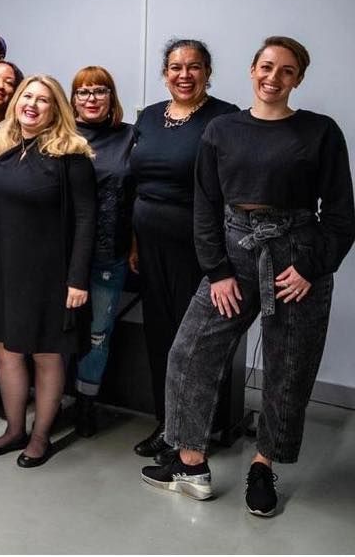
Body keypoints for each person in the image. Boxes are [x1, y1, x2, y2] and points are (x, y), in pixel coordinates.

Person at [142, 36, 354, 516]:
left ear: (298, 78)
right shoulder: (222, 129)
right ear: (251, 70)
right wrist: (217, 271)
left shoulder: (320, 132)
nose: (273, 77)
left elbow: (341, 214)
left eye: (285, 70)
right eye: (265, 67)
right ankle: (190, 461)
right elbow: (206, 204)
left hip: (297, 256)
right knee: (191, 351)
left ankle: (264, 465)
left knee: (287, 368)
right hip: (235, 248)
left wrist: (311, 268)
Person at [0, 74, 96, 468]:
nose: (32, 105)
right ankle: (13, 429)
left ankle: (40, 436)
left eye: (43, 100)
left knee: (46, 354)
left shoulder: (71, 155)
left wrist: (77, 279)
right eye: (28, 96)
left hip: (49, 273)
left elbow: (88, 220)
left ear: (56, 109)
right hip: (2, 269)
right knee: (5, 350)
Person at [128, 39, 239, 459]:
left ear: (208, 72)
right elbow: (137, 182)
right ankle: (167, 424)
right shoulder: (151, 117)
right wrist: (134, 242)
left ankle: (195, 432)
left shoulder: (225, 118)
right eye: (176, 67)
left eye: (194, 67)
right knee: (159, 338)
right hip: (149, 245)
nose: (184, 74)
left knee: (193, 343)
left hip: (199, 247)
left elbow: (228, 189)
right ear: (164, 72)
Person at [69, 66, 137, 437]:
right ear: (72, 99)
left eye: (100, 91)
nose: (91, 98)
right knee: (57, 332)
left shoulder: (129, 137)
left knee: (98, 334)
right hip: (59, 254)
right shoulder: (60, 135)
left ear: (111, 97)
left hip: (109, 252)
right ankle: (49, 400)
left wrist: (136, 244)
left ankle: (85, 403)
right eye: (83, 92)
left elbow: (139, 193)